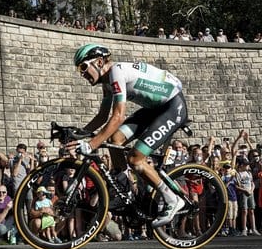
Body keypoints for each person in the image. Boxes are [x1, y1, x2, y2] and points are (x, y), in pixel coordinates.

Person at [69, 44, 189, 228]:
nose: (82, 73)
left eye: (83, 67)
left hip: (172, 107)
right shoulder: (108, 82)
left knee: (135, 158)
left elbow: (118, 117)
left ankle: (172, 199)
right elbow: (102, 117)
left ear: (99, 62)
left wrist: (91, 145)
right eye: (79, 69)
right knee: (114, 140)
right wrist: (77, 135)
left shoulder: (116, 72)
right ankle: (125, 187)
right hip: (154, 110)